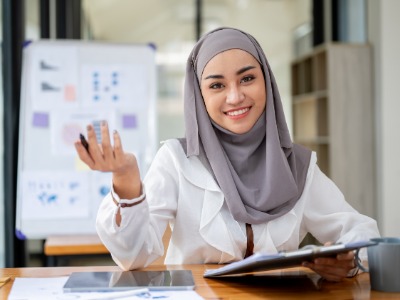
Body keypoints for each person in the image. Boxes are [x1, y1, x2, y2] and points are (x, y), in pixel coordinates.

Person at [75, 27, 380, 282]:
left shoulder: (297, 165)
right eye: (217, 85)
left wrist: (348, 261)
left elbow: (363, 233)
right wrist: (126, 181)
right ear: (199, 97)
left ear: (267, 83)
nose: (235, 96)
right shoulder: (177, 161)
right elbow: (133, 257)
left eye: (247, 78)